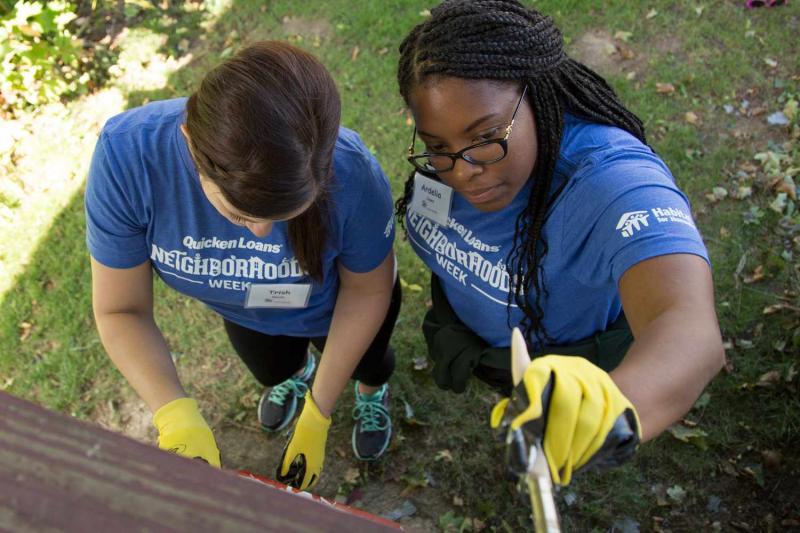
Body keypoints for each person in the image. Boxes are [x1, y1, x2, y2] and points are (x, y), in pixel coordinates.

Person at [395, 0, 724, 485]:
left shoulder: (609, 181)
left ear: (539, 96)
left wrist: (613, 408)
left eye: (485, 137)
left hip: (571, 359)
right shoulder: (452, 163)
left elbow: (689, 329)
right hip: (497, 350)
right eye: (438, 147)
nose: (463, 172)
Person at [85, 41, 399, 490]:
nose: (260, 235)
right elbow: (120, 310)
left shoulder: (355, 175)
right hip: (246, 312)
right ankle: (295, 379)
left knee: (369, 363)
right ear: (192, 143)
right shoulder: (126, 157)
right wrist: (175, 415)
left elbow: (368, 290)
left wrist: (319, 412)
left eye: (282, 217)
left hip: (339, 310)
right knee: (272, 370)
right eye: (239, 215)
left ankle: (370, 393)